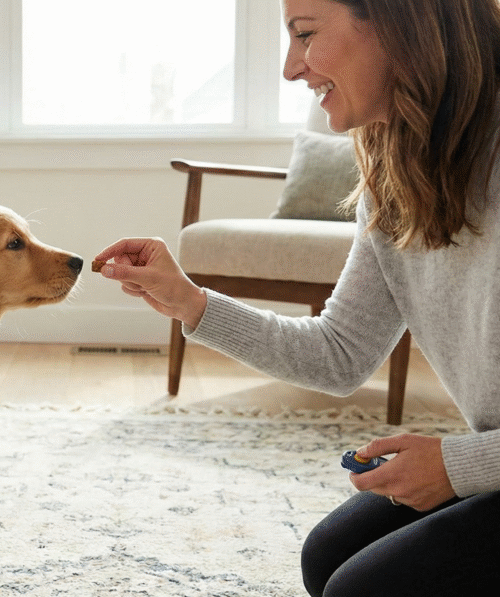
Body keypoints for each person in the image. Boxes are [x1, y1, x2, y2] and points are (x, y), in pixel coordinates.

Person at [94, 1, 500, 595]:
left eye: (305, 34)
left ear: (396, 23)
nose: (291, 69)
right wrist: (189, 302)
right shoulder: (397, 173)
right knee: (328, 557)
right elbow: (339, 355)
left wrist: (459, 466)